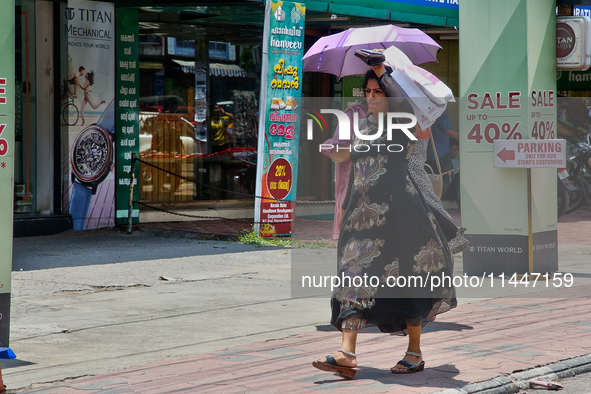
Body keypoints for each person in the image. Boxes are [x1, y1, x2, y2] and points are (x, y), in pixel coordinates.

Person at [313, 62, 456, 378]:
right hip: (362, 219)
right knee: (354, 277)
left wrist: (382, 69)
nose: (372, 96)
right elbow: (355, 166)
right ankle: (348, 353)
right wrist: (344, 203)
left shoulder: (402, 123)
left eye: (379, 91)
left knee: (408, 281)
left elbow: (408, 101)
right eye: (368, 91)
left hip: (403, 217)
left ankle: (414, 352)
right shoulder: (362, 126)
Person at [320, 103, 367, 240]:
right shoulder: (352, 115)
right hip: (352, 179)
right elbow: (339, 152)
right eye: (369, 91)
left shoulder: (395, 115)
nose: (372, 96)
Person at [426, 111, 459, 197]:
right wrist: (466, 136)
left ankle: (430, 201)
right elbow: (448, 131)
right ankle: (435, 200)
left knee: (432, 180)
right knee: (449, 177)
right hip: (441, 154)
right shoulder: (439, 113)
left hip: (428, 154)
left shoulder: (426, 112)